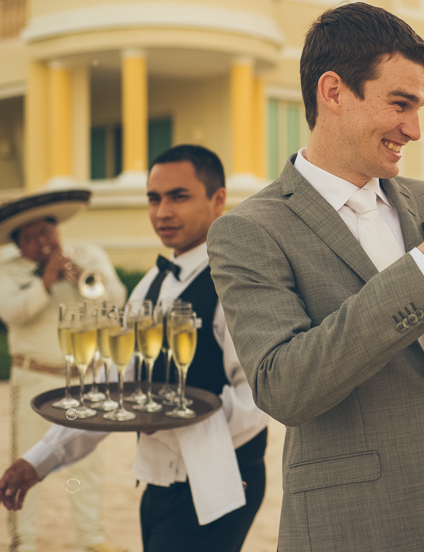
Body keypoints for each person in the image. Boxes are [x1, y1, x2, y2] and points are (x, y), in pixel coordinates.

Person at [207, 2, 424, 552]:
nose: (415, 129)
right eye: (400, 104)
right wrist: (422, 274)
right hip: (360, 530)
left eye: (420, 107)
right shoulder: (248, 230)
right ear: (333, 92)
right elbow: (285, 388)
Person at [0, 145, 271, 552]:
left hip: (220, 482)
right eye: (153, 197)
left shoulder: (237, 281)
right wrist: (39, 459)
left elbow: (260, 396)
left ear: (218, 200)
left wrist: (175, 419)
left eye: (179, 196)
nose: (162, 211)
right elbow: (114, 384)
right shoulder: (150, 285)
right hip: (158, 481)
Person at [0, 189, 127, 552]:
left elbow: (115, 302)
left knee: (87, 465)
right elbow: (12, 312)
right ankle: (23, 540)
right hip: (34, 380)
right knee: (26, 460)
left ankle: (92, 538)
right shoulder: (5, 270)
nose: (42, 241)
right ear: (19, 244)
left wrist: (78, 277)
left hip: (85, 380)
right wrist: (44, 281)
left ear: (57, 230)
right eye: (31, 237)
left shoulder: (88, 255)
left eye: (47, 232)